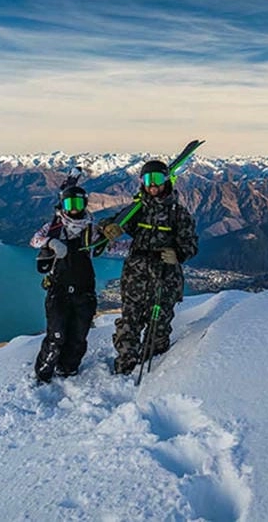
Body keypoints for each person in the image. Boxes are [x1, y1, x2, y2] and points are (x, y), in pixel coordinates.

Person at [100, 159, 198, 375]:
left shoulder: (178, 213)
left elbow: (191, 244)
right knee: (129, 323)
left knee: (159, 328)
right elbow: (110, 221)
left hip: (164, 278)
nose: (153, 185)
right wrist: (110, 228)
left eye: (157, 179)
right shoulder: (137, 209)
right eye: (148, 179)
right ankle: (125, 365)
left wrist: (179, 254)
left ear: (167, 180)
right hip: (135, 277)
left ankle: (155, 372)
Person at [30, 184, 103, 383]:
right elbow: (34, 240)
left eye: (78, 203)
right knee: (56, 336)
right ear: (62, 204)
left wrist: (131, 245)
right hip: (58, 290)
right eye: (69, 203)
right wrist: (50, 242)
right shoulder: (55, 227)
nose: (73, 208)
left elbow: (106, 247)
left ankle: (68, 370)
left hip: (84, 290)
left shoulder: (90, 229)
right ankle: (43, 374)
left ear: (85, 204)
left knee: (78, 336)